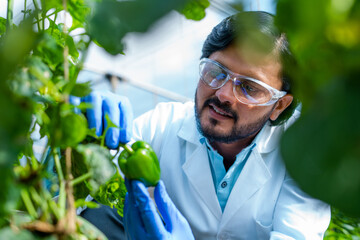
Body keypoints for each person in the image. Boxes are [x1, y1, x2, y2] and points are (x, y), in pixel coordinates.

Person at [79, 11, 331, 239]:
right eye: (216, 71)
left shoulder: (305, 155)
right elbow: (83, 190)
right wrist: (82, 138)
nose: (223, 94)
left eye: (250, 88)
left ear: (279, 106)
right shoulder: (161, 124)